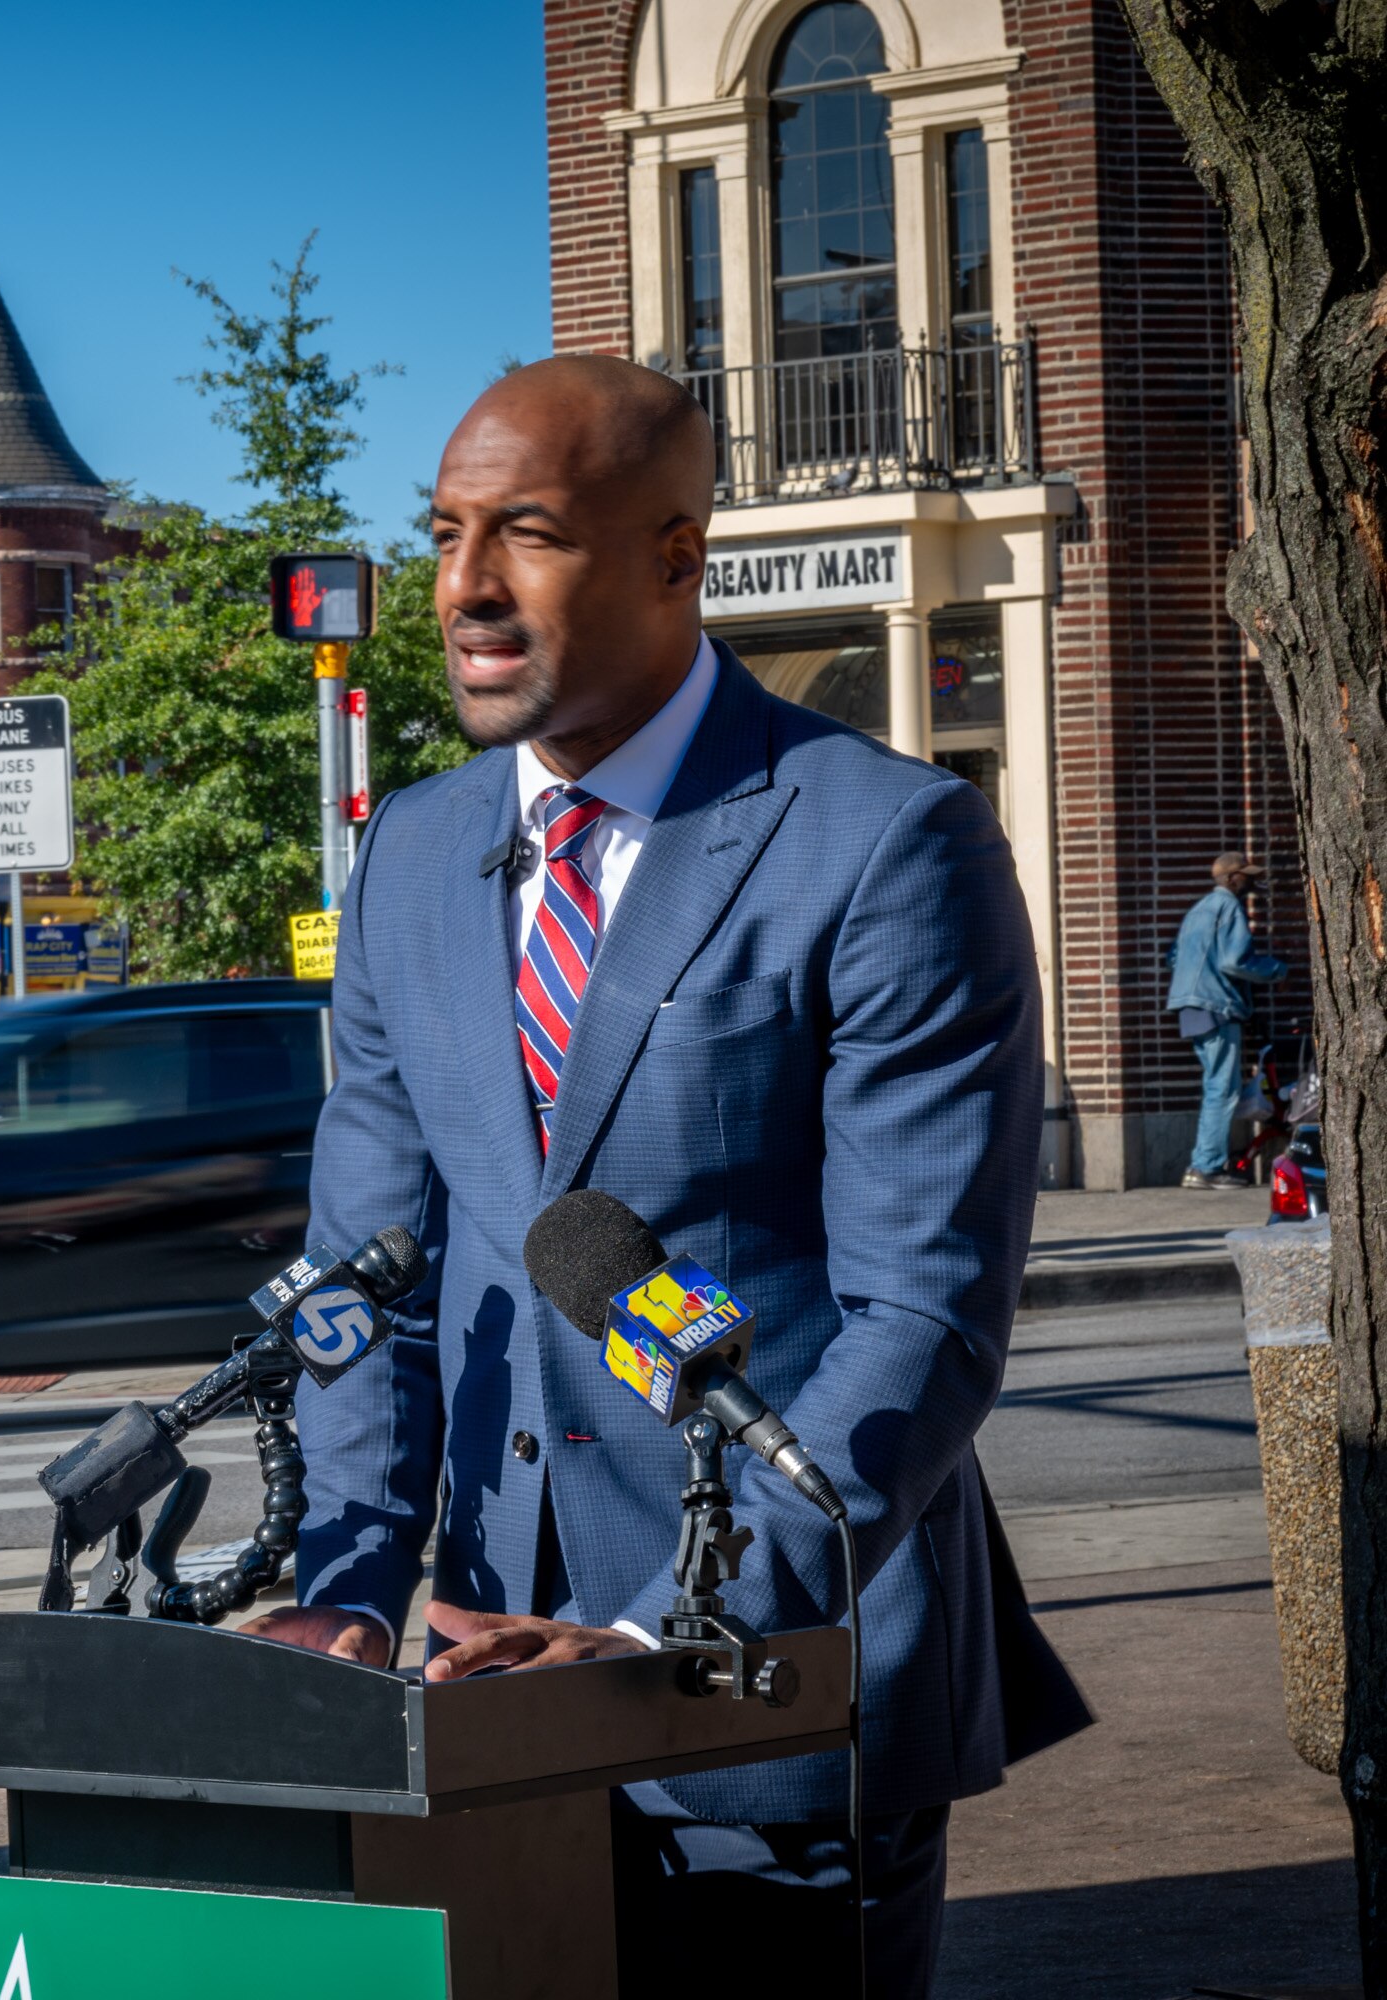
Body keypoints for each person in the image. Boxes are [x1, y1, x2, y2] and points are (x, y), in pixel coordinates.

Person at [241, 358, 1085, 1996]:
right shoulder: (411, 853)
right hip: (485, 1691)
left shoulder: (884, 842)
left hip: (776, 1677)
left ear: (677, 559)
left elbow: (920, 1322)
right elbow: (373, 1286)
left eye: (531, 535)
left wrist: (662, 1632)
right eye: (447, 534)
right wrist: (347, 1594)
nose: (468, 590)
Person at [1167, 851, 1285, 1189]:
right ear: (1232, 879)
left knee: (1215, 1084)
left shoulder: (1197, 910)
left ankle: (1203, 1165)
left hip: (1190, 1006)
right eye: (1247, 877)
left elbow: (1173, 956)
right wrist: (1278, 969)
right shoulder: (1229, 907)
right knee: (1223, 1087)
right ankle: (1207, 1167)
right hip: (1215, 1005)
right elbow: (1235, 961)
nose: (1252, 883)